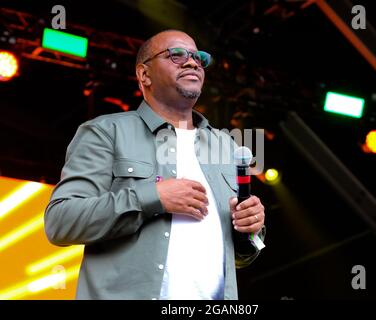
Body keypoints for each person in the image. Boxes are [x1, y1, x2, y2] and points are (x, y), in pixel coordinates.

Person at [44, 30, 266, 300]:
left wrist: (252, 228)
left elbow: (242, 256)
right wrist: (154, 197)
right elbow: (61, 222)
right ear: (144, 75)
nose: (192, 62)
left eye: (198, 57)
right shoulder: (106, 132)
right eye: (176, 54)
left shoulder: (226, 146)